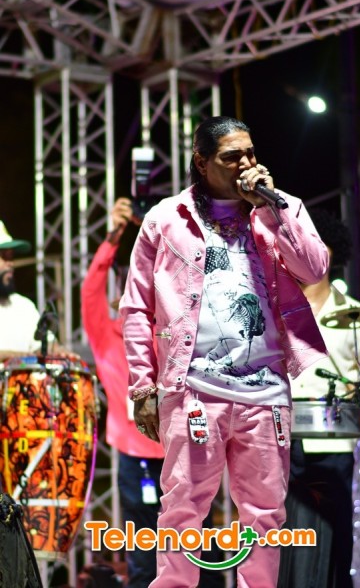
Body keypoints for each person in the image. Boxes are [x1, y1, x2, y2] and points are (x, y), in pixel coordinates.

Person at [120, 115, 329, 588]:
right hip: (193, 391)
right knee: (182, 510)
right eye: (232, 157)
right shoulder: (165, 219)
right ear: (202, 162)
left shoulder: (281, 207)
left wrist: (272, 209)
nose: (246, 164)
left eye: (250, 153)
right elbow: (136, 306)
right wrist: (142, 387)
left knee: (266, 516)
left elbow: (314, 269)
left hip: (266, 392)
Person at [81, 198, 224, 588]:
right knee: (144, 553)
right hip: (135, 455)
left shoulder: (174, 331)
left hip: (185, 449)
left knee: (200, 549)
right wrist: (113, 236)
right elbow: (91, 291)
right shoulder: (106, 336)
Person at [278, 208, 360, 588]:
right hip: (283, 442)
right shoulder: (277, 311)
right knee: (287, 538)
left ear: (326, 253)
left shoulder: (355, 315)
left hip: (334, 442)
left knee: (333, 534)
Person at [0, 220, 44, 356]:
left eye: (11, 257)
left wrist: (57, 351)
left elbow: (43, 346)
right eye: (4, 256)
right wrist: (16, 357)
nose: (10, 263)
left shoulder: (24, 307)